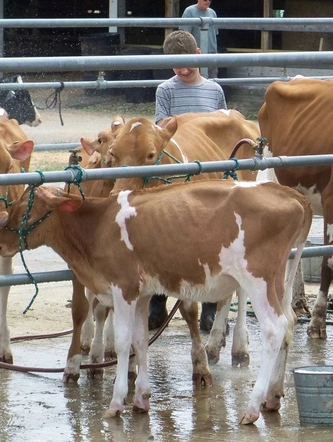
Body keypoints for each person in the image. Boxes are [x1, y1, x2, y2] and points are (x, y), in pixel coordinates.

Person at [150, 29, 227, 332]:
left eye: (188, 63)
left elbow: (222, 128)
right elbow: (160, 129)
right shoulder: (165, 91)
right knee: (164, 232)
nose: (183, 71)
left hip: (207, 170)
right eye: (176, 65)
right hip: (177, 171)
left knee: (209, 235)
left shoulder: (215, 90)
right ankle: (158, 302)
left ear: (198, 55)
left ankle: (211, 304)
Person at [180, 0, 219, 79]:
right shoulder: (189, 11)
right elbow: (185, 36)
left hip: (212, 55)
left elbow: (215, 34)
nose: (208, 1)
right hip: (195, 56)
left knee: (212, 82)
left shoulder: (213, 13)